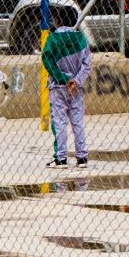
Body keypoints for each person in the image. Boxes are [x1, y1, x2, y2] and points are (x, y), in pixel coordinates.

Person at [44, 22, 93, 166]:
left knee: (60, 123)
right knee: (77, 122)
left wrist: (64, 79)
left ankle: (61, 158)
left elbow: (47, 60)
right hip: (76, 88)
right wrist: (75, 81)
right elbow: (86, 64)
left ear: (58, 21)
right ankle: (82, 157)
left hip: (58, 86)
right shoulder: (81, 38)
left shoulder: (53, 38)